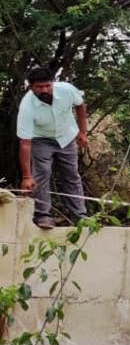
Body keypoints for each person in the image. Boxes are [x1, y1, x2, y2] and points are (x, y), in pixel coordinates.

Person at [15, 67, 89, 228]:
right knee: (41, 175)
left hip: (67, 137)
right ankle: (43, 215)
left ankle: (79, 215)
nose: (44, 90)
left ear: (53, 83)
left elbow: (81, 105)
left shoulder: (67, 90)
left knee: (72, 175)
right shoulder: (27, 106)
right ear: (31, 87)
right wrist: (27, 176)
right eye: (39, 87)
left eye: (48, 85)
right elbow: (25, 143)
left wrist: (82, 132)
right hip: (41, 140)